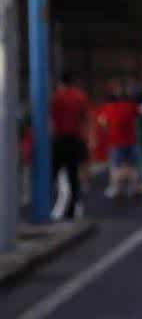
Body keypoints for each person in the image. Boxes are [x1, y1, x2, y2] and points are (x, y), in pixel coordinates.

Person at [51, 72, 90, 220]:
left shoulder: (56, 97)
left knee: (52, 174)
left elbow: (50, 119)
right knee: (73, 175)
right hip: (75, 139)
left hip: (59, 140)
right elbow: (86, 118)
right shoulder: (80, 96)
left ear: (60, 83)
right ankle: (71, 210)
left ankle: (47, 205)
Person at [101, 83, 141, 198]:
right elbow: (138, 119)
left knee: (116, 166)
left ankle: (116, 189)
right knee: (133, 166)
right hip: (131, 141)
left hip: (116, 141)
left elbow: (103, 122)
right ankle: (134, 188)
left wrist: (108, 131)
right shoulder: (132, 106)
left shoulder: (109, 108)